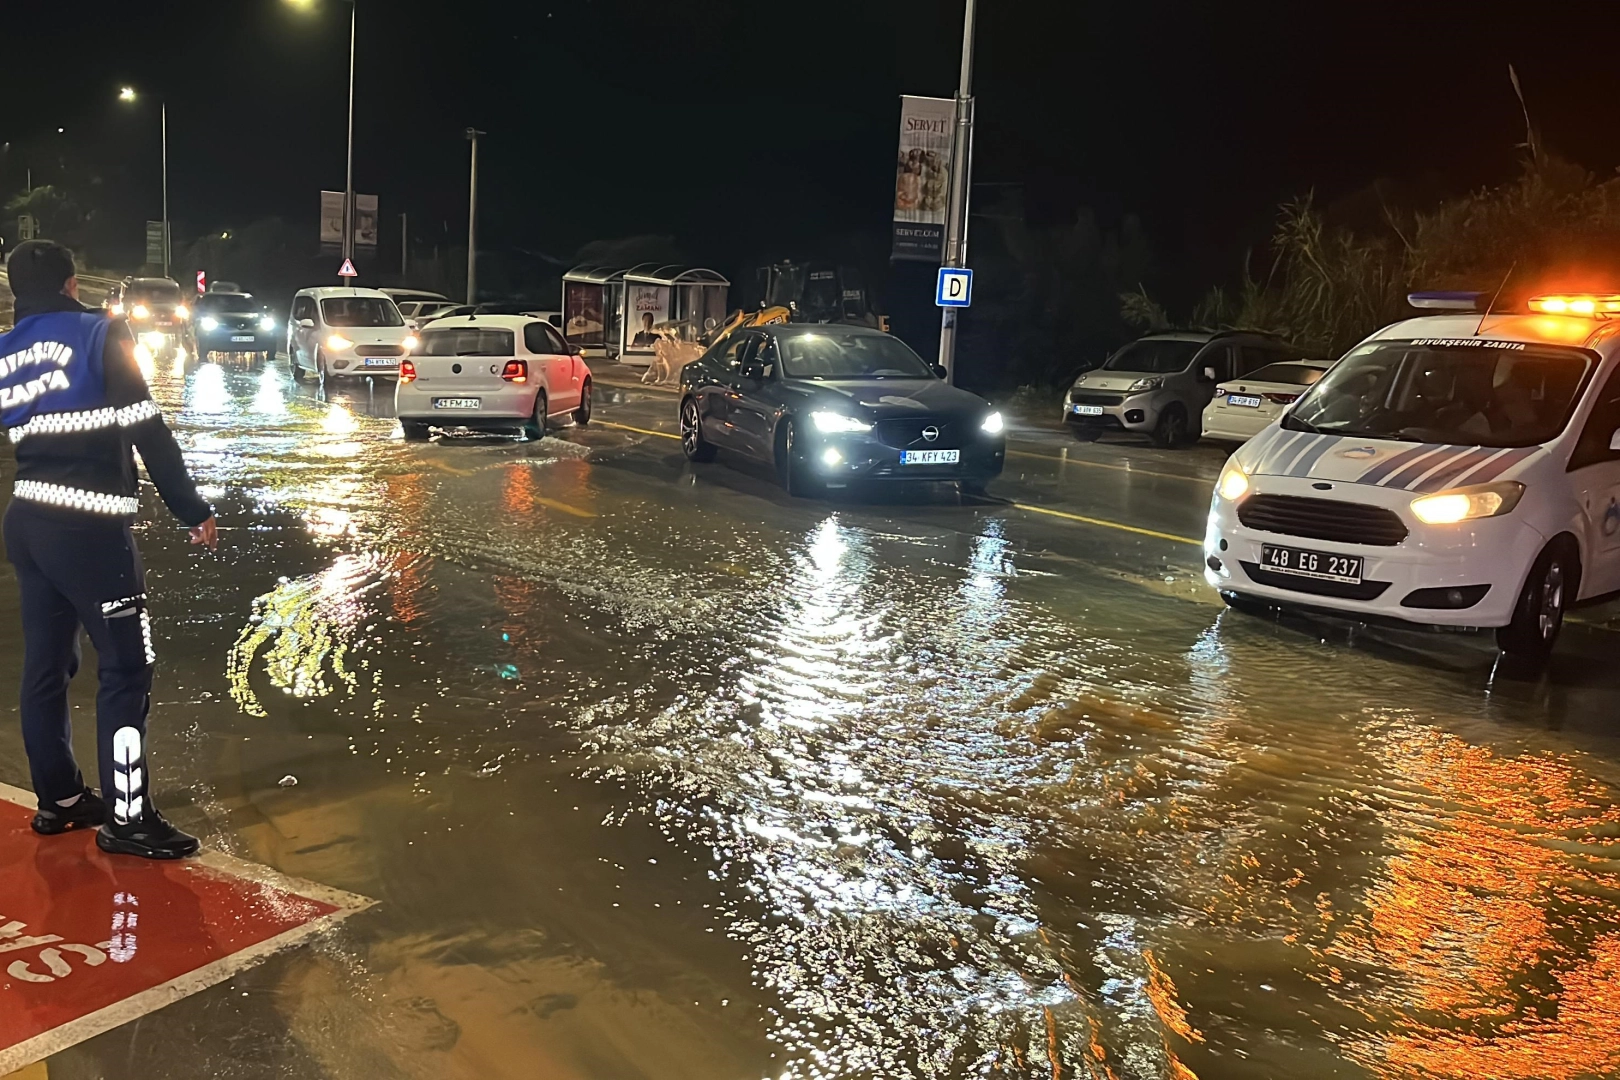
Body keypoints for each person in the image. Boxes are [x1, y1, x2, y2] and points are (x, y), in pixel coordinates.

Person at [0, 240, 217, 859]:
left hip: (27, 521)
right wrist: (192, 509)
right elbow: (148, 427)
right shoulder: (103, 334)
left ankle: (60, 799)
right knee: (126, 669)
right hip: (89, 529)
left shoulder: (4, 350)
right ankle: (128, 818)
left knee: (46, 666)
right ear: (72, 284)